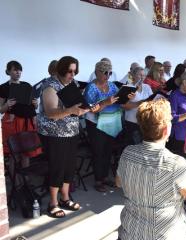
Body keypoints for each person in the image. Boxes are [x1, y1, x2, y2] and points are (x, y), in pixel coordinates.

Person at [116, 99, 186, 240]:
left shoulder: (128, 152)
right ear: (166, 130)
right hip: (165, 236)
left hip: (129, 233)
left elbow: (118, 182)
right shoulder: (175, 164)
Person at [37, 56, 90, 218]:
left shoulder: (70, 84)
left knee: (69, 166)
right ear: (60, 70)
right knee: (57, 167)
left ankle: (65, 198)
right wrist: (71, 110)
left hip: (71, 131)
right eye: (69, 71)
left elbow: (75, 107)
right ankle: (53, 203)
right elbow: (51, 113)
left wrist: (84, 109)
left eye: (75, 71)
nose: (72, 75)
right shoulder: (50, 86)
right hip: (54, 134)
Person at [84, 60, 123, 192]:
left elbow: (120, 100)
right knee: (98, 152)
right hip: (95, 124)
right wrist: (106, 102)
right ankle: (98, 180)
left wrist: (127, 96)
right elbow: (91, 109)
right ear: (96, 72)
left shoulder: (112, 85)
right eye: (105, 72)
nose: (108, 75)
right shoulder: (91, 87)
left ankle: (105, 177)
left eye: (110, 73)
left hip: (110, 122)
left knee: (108, 151)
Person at [0, 61, 40, 158]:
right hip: (13, 121)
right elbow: (1, 109)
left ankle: (25, 172)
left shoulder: (27, 85)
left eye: (20, 70)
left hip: (27, 121)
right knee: (13, 153)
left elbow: (34, 106)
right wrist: (7, 105)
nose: (18, 72)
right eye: (15, 70)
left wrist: (36, 104)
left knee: (26, 152)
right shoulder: (3, 87)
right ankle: (13, 173)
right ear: (8, 71)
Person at [122, 66, 153, 146]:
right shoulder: (128, 87)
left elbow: (152, 101)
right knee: (133, 145)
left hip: (145, 121)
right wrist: (141, 102)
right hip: (132, 121)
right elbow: (124, 106)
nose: (142, 77)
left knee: (144, 145)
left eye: (144, 75)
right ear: (133, 75)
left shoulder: (147, 87)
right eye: (140, 75)